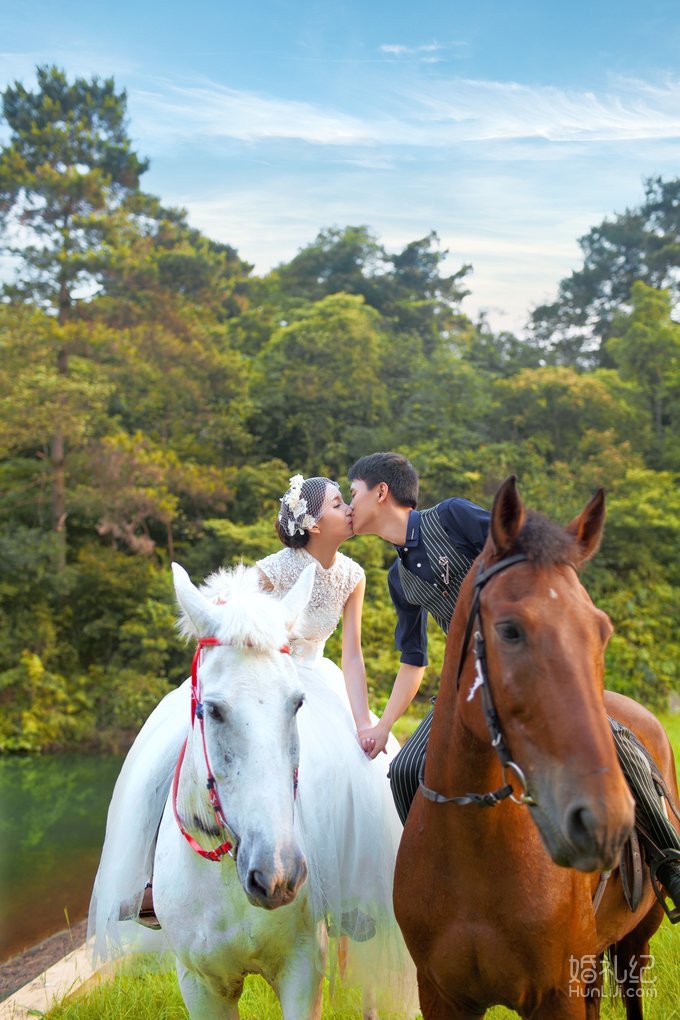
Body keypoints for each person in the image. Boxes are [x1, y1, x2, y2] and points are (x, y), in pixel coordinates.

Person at [88, 474, 417, 1009]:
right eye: (339, 503)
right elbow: (238, 625)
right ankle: (147, 881)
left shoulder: (353, 574)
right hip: (258, 678)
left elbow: (352, 654)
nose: (349, 511)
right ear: (312, 520)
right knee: (167, 748)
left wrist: (362, 719)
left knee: (363, 773)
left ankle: (351, 894)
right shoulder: (275, 569)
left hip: (316, 682)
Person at [347, 451, 680, 922]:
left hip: (529, 664)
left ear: (381, 492)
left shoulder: (454, 515)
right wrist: (383, 725)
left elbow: (525, 552)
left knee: (616, 736)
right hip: (467, 687)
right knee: (403, 770)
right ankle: (443, 880)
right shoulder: (397, 577)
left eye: (353, 494)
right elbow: (413, 661)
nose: (348, 505)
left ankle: (670, 859)